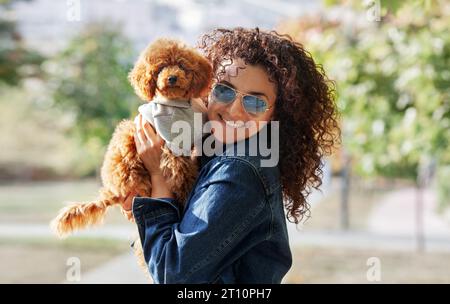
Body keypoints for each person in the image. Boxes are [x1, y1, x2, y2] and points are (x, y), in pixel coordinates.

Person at [122, 27, 340, 283]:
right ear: (205, 88)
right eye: (224, 90)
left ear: (277, 115)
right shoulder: (213, 150)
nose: (234, 110)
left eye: (255, 102)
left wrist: (159, 175)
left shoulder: (240, 169)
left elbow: (174, 274)